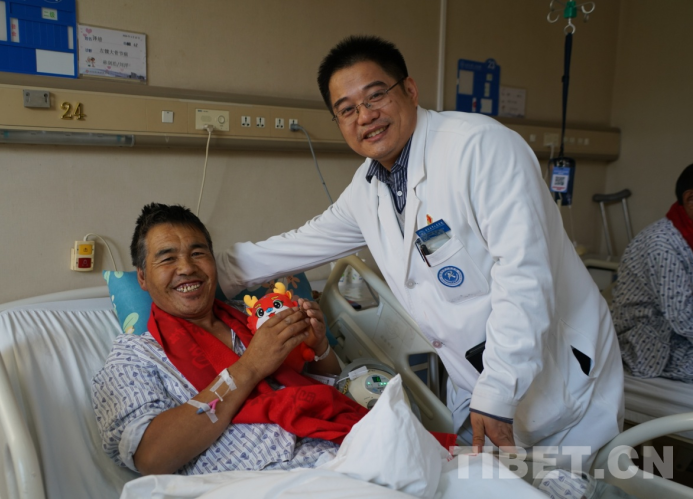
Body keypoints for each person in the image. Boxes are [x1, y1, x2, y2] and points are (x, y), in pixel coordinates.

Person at [216, 35, 624, 469]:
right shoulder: (368, 187)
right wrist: (206, 273)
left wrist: (498, 390)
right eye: (347, 110)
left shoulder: (480, 148)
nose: (365, 116)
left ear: (409, 90)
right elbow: (298, 244)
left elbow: (525, 276)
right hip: (477, 386)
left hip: (561, 384)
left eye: (376, 96)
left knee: (575, 488)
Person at [92, 203, 365, 476]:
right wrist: (251, 366)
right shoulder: (134, 355)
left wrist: (318, 347)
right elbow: (150, 456)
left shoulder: (256, 316)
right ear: (142, 277)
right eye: (167, 258)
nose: (186, 268)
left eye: (198, 253)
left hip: (344, 448)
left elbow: (325, 387)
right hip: (263, 481)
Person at [613, 164, 693, 381]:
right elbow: (683, 319)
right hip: (651, 342)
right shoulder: (662, 245)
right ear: (689, 198)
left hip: (679, 333)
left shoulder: (687, 235)